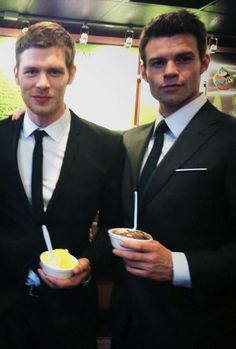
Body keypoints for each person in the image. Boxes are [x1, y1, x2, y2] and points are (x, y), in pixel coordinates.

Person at [110, 9, 236, 349]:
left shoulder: (230, 138)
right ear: (143, 71)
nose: (169, 72)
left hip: (197, 327)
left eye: (183, 59)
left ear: (204, 62)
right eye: (157, 63)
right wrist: (30, 119)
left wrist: (176, 264)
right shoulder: (129, 141)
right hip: (128, 324)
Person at [0, 21, 124, 349]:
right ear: (16, 74)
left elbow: (115, 222)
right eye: (31, 71)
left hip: (71, 313)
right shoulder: (0, 137)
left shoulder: (106, 146)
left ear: (71, 73)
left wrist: (91, 263)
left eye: (54, 72)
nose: (42, 83)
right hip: (5, 308)